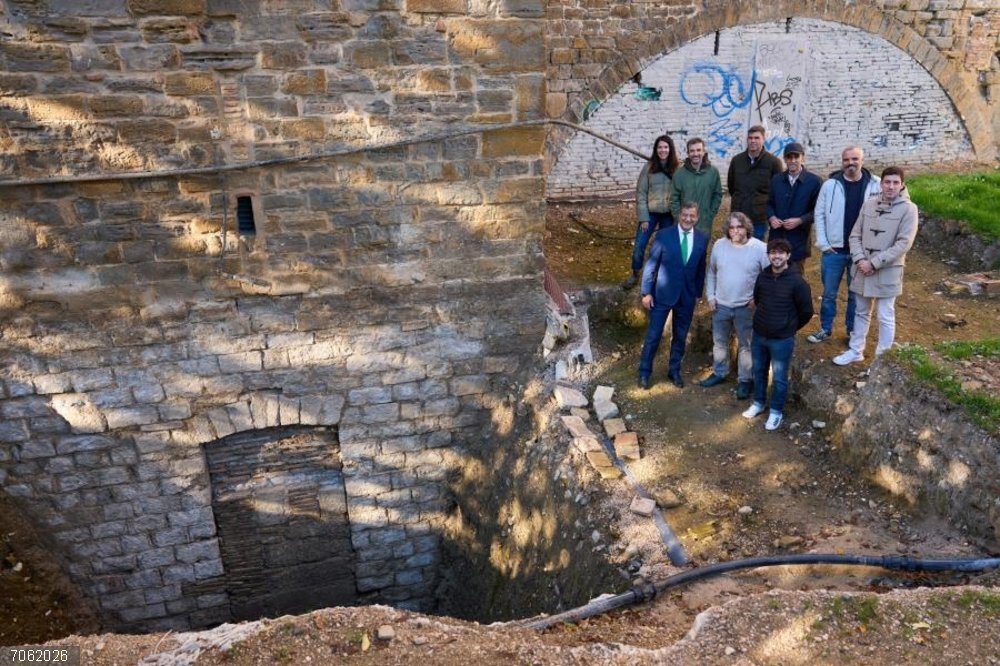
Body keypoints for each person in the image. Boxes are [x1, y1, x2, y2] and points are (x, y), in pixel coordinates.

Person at [833, 167, 919, 366]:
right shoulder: (869, 204)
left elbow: (904, 243)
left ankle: (882, 359)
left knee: (885, 314)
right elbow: (855, 235)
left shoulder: (909, 209)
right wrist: (860, 259)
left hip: (887, 270)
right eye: (887, 182)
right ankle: (856, 351)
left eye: (895, 182)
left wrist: (874, 262)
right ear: (881, 184)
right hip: (862, 268)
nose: (890, 186)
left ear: (902, 184)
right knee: (860, 311)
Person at [808, 146, 882, 344]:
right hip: (834, 250)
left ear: (862, 160)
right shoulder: (831, 185)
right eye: (847, 159)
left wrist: (873, 248)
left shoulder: (876, 185)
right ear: (842, 162)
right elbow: (820, 214)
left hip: (861, 252)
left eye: (855, 159)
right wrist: (823, 243)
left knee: (854, 294)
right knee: (829, 293)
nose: (851, 163)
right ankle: (825, 328)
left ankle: (851, 331)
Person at [742, 238, 814, 431]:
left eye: (781, 252)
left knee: (780, 378)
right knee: (758, 371)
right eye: (773, 252)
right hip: (759, 335)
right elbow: (758, 298)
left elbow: (806, 311)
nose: (777, 256)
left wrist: (789, 327)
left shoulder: (798, 282)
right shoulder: (763, 277)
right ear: (769, 255)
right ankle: (758, 403)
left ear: (788, 256)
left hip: (782, 340)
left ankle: (776, 412)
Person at [637, 201, 708, 390]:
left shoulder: (702, 238)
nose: (688, 219)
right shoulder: (663, 235)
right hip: (662, 294)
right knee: (653, 335)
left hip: (687, 296)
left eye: (692, 216)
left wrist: (697, 293)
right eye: (685, 215)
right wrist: (646, 292)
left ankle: (674, 370)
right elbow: (652, 265)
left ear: (697, 217)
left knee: (680, 336)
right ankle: (644, 372)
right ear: (679, 215)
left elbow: (701, 268)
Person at [700, 212, 769, 399]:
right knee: (720, 343)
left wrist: (757, 299)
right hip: (720, 305)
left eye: (739, 226)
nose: (735, 230)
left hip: (745, 307)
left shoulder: (760, 249)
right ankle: (720, 372)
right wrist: (711, 297)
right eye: (731, 227)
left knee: (746, 346)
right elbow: (712, 272)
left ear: (747, 227)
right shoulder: (719, 245)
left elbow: (768, 277)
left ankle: (745, 380)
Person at [623, 134, 679, 289]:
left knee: (664, 246)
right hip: (650, 213)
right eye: (660, 147)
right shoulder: (648, 167)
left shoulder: (676, 168)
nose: (663, 150)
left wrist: (677, 215)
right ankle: (635, 273)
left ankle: (660, 275)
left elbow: (680, 191)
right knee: (639, 245)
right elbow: (641, 192)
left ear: (670, 149)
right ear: (656, 149)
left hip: (668, 214)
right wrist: (643, 217)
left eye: (666, 147)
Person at [765, 142, 822, 273]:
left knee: (795, 276)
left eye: (796, 157)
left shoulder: (814, 182)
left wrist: (800, 220)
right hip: (777, 237)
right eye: (789, 157)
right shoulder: (776, 180)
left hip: (799, 239)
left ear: (803, 158)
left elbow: (818, 211)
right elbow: (769, 204)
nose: (793, 160)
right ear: (784, 159)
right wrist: (772, 217)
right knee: (775, 273)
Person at [727, 125, 784, 240]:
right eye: (750, 138)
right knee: (737, 245)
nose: (753, 141)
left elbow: (777, 191)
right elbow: (731, 186)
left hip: (759, 217)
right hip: (738, 215)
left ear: (764, 139)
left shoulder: (773, 162)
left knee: (756, 248)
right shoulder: (737, 160)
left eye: (757, 138)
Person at [670, 137, 723, 237]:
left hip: (704, 224)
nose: (695, 154)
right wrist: (679, 218)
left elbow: (717, 195)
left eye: (698, 150)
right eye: (692, 151)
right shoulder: (679, 174)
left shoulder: (713, 172)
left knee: (701, 251)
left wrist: (710, 215)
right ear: (688, 153)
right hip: (684, 224)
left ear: (704, 151)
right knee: (683, 251)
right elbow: (674, 198)